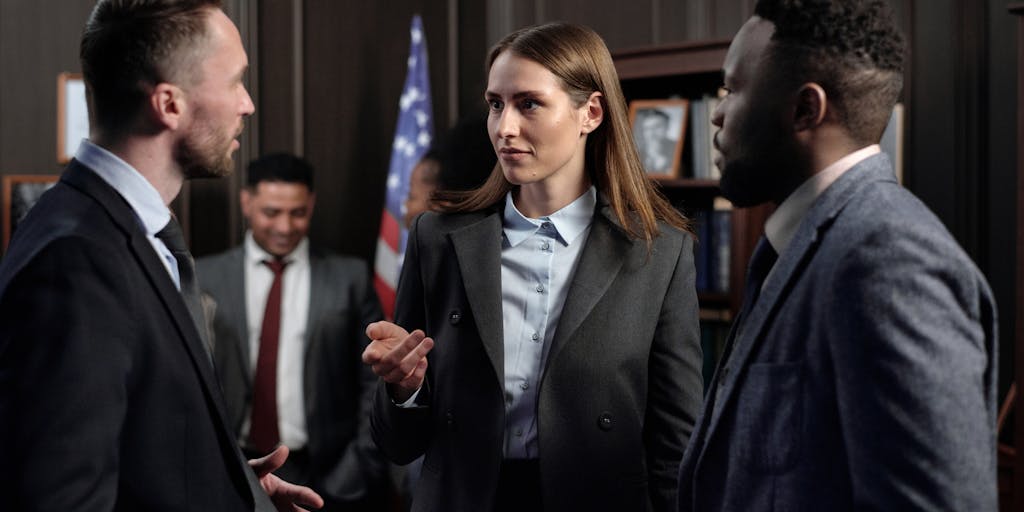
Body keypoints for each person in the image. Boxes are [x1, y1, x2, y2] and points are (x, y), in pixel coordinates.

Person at [362, 22, 703, 512]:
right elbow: (398, 445)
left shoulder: (659, 252)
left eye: (529, 104)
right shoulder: (437, 239)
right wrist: (404, 388)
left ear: (590, 113)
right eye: (496, 104)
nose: (504, 128)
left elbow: (676, 444)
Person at [0, 1, 322, 510]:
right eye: (235, 81)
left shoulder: (128, 230)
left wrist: (229, 485)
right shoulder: (75, 258)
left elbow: (136, 442)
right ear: (169, 104)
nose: (247, 104)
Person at [676, 1, 998, 510]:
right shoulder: (797, 243)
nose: (716, 112)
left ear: (806, 109)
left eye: (734, 88)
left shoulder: (889, 262)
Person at [196, 152, 389, 511]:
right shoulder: (204, 278)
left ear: (311, 204)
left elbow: (373, 382)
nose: (285, 227)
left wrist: (354, 471)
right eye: (271, 212)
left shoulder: (349, 279)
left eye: (297, 213)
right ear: (246, 202)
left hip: (329, 475)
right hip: (234, 471)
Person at [634, 108, 676, 174]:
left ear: (667, 127)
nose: (651, 133)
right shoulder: (637, 153)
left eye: (657, 127)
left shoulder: (676, 148)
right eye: (647, 128)